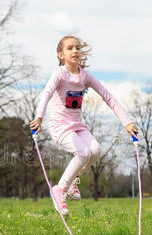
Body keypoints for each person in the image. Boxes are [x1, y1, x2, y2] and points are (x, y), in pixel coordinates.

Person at [30, 35, 138, 216]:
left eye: (77, 48)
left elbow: (108, 96)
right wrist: (39, 117)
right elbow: (47, 93)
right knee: (83, 153)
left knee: (95, 150)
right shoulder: (59, 74)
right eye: (70, 48)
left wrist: (127, 122)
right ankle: (59, 190)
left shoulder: (85, 76)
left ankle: (72, 182)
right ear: (60, 54)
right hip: (59, 126)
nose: (75, 51)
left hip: (77, 125)